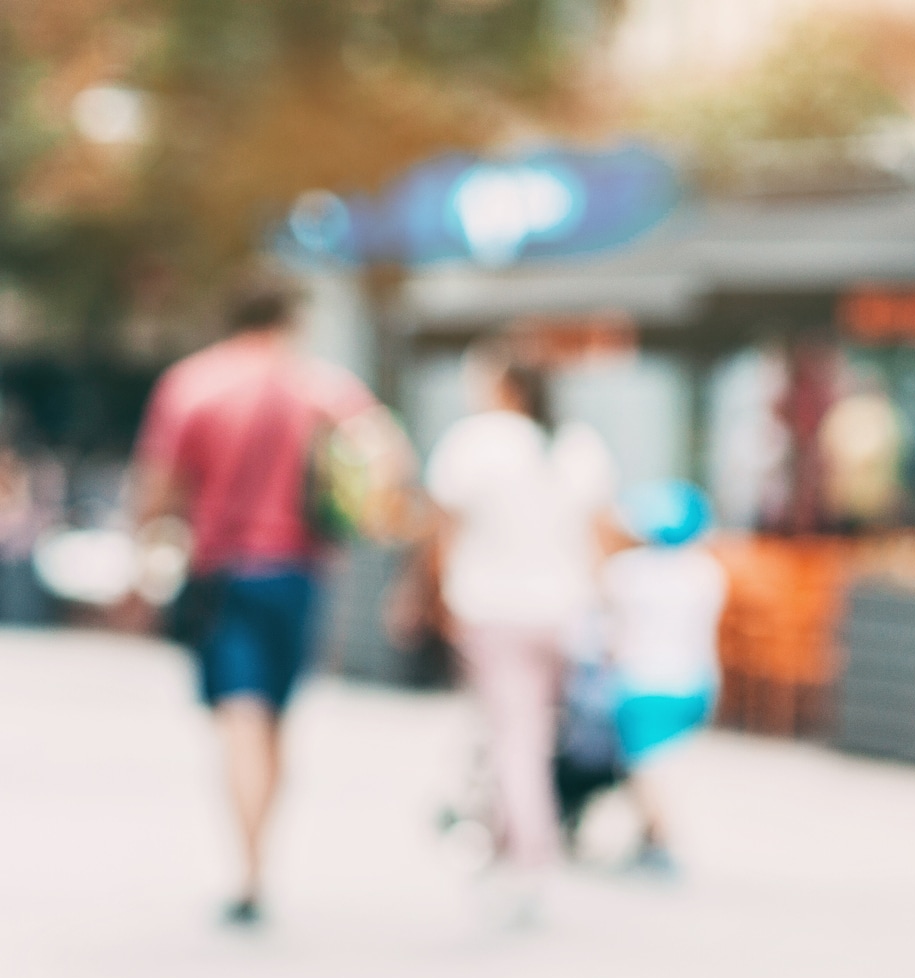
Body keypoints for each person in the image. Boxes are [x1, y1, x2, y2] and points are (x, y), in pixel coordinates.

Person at [131, 270, 408, 924]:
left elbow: (158, 485)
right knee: (277, 720)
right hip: (302, 571)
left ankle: (248, 869)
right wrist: (352, 515)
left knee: (238, 717)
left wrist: (148, 551)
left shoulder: (194, 383)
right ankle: (262, 857)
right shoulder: (323, 385)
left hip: (222, 570)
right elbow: (388, 456)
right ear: (290, 319)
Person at [423, 346, 615, 920]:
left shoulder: (475, 443)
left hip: (492, 609)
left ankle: (529, 855)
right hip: (563, 611)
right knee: (531, 730)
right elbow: (600, 533)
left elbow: (443, 529)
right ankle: (515, 844)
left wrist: (429, 596)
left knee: (513, 735)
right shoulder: (577, 446)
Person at [600, 478, 728, 872]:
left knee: (643, 770)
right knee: (661, 768)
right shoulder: (706, 572)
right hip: (697, 683)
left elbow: (606, 632)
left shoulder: (625, 572)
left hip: (641, 685)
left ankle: (660, 839)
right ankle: (649, 839)